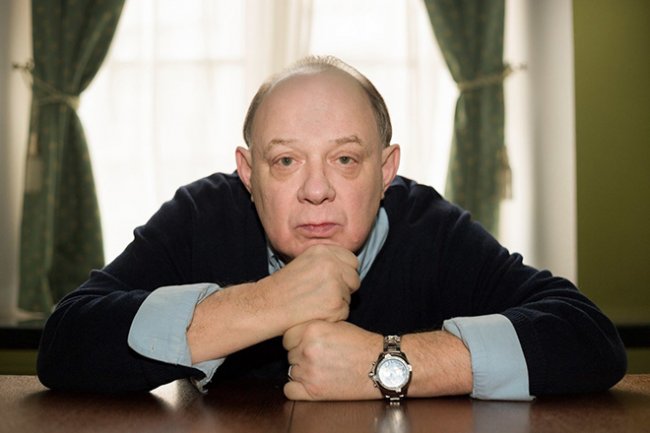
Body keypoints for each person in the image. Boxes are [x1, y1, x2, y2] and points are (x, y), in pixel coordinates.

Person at [37, 55, 626, 402]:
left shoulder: (432, 229)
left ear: (386, 170)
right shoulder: (201, 215)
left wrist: (389, 365)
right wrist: (266, 303)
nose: (316, 189)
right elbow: (65, 343)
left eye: (344, 159)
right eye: (285, 160)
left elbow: (589, 339)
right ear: (249, 173)